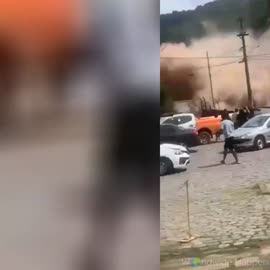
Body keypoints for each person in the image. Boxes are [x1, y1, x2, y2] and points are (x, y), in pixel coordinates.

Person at [78, 0, 159, 269]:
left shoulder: (107, 9)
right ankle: (98, 252)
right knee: (127, 182)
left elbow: (98, 56)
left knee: (120, 182)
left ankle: (97, 253)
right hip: (139, 99)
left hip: (132, 102)